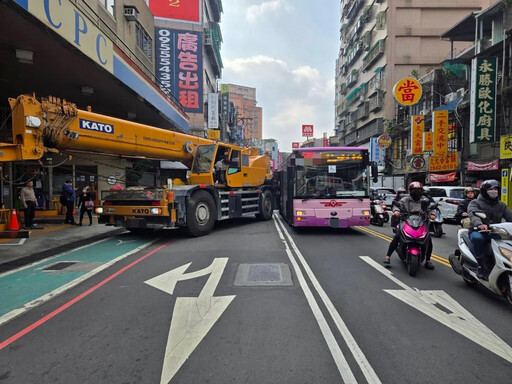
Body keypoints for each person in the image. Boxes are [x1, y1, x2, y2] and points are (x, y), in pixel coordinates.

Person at [383, 181, 435, 270]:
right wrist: (396, 211)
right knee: (398, 236)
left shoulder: (424, 200)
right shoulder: (405, 199)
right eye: (414, 190)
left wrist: (432, 214)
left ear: (421, 191)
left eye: (418, 190)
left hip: (421, 222)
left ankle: (428, 260)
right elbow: (397, 206)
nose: (416, 192)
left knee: (428, 240)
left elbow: (430, 209)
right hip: (406, 221)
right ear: (410, 191)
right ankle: (388, 256)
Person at [468, 180, 512, 280]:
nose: (494, 191)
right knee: (478, 239)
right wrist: (480, 224)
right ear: (484, 191)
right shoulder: (475, 203)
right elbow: (473, 214)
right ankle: (480, 266)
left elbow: (510, 216)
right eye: (490, 189)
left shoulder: (501, 205)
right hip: (478, 231)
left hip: (495, 232)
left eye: (495, 189)